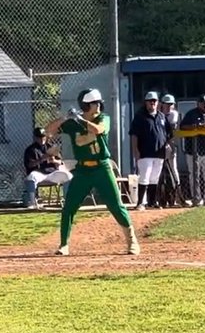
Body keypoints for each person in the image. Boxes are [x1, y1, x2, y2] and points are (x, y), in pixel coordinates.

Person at [45, 88, 139, 256]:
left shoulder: (103, 118)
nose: (98, 106)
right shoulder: (73, 123)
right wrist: (66, 118)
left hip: (102, 168)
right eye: (94, 104)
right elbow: (48, 131)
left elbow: (98, 130)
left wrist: (80, 119)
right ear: (86, 105)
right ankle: (64, 245)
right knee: (69, 207)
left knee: (116, 205)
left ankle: (132, 241)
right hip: (82, 170)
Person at [129, 91, 168, 210]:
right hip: (145, 152)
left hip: (159, 153)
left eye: (155, 101)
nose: (153, 103)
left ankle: (152, 202)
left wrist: (168, 146)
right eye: (150, 101)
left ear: (158, 103)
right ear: (145, 103)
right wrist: (135, 150)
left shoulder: (161, 116)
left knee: (155, 177)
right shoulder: (140, 116)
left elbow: (168, 133)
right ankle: (140, 203)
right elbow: (134, 135)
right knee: (144, 176)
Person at [21, 126, 72, 208]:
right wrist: (42, 159)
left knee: (68, 175)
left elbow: (61, 162)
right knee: (31, 177)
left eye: (43, 137)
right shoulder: (30, 149)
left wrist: (54, 161)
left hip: (52, 173)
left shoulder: (51, 147)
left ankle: (69, 201)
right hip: (39, 173)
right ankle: (32, 202)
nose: (42, 139)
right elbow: (29, 165)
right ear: (35, 138)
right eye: (39, 137)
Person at [159, 94, 187, 208]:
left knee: (173, 172)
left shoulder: (173, 114)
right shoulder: (159, 115)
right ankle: (159, 199)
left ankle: (178, 198)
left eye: (171, 104)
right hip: (159, 147)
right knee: (159, 173)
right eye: (167, 104)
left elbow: (169, 125)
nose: (169, 106)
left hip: (170, 146)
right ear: (162, 104)